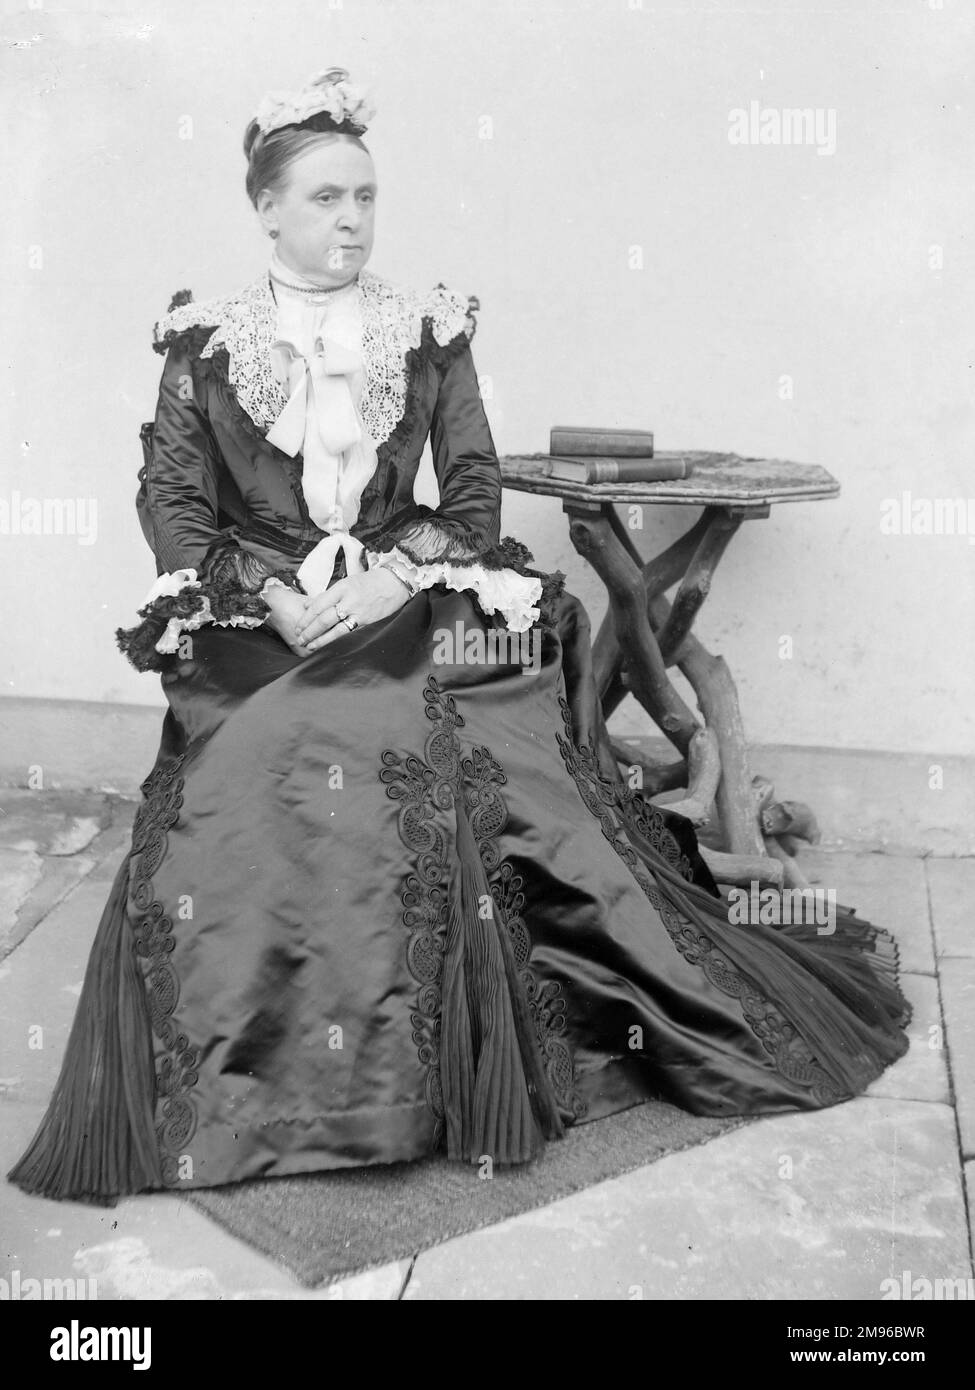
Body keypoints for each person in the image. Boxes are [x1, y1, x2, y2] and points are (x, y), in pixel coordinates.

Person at [9, 68, 909, 1204]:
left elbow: (473, 487)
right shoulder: (204, 344)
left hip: (407, 591)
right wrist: (270, 594)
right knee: (263, 732)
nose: (352, 221)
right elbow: (175, 506)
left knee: (403, 705)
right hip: (257, 610)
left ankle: (427, 1067)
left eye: (366, 197)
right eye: (326, 198)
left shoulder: (426, 331)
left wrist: (391, 578)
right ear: (267, 209)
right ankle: (272, 1087)